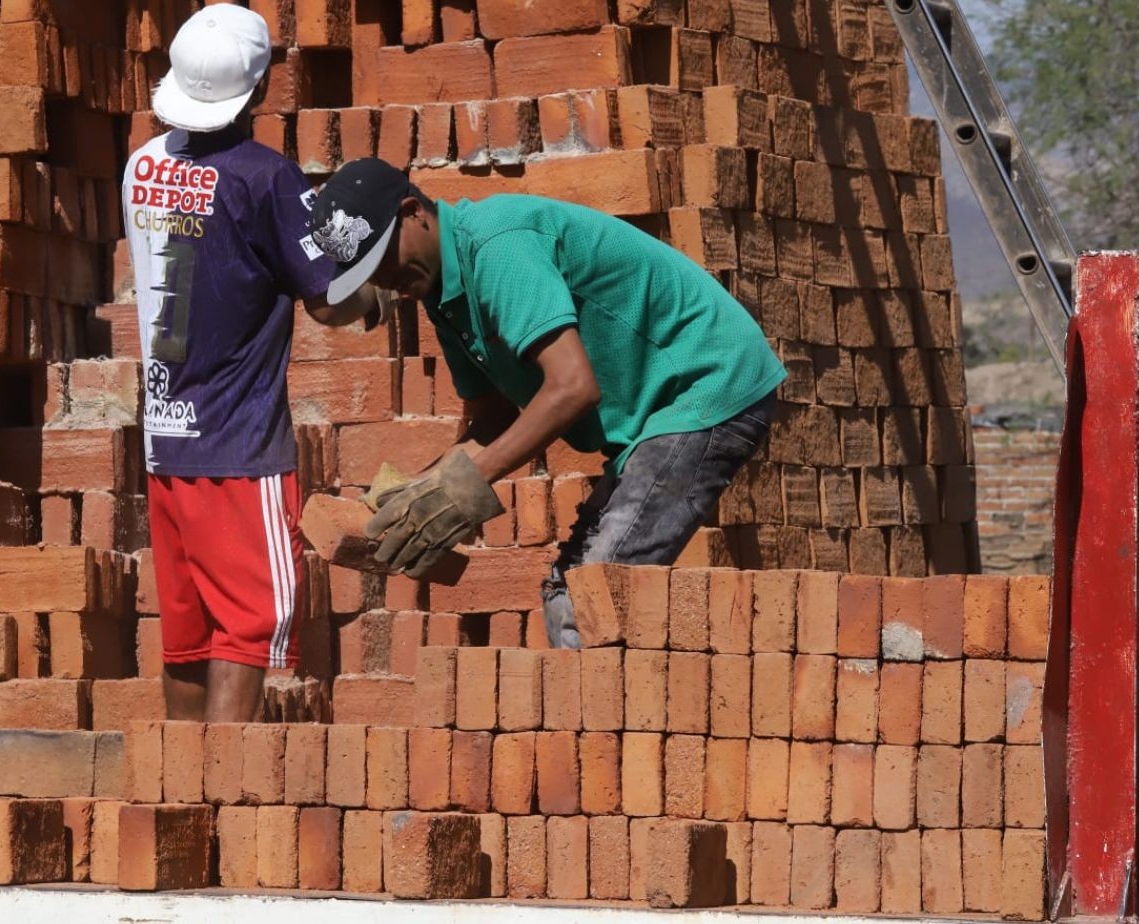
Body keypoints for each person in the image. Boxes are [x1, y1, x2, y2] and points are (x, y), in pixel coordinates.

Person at [308, 158, 787, 649]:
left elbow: (573, 387)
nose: (385, 280)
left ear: (415, 213)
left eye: (383, 258)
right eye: (368, 273)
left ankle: (608, 723)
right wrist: (416, 491)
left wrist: (464, 486)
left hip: (704, 380)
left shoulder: (497, 247)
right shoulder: (442, 292)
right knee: (567, 593)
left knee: (594, 602)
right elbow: (492, 421)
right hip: (660, 410)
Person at [124, 6, 382, 720]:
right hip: (239, 447)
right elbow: (328, 300)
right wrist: (379, 300)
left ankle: (173, 798)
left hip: (166, 437)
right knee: (250, 624)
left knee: (187, 631)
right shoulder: (265, 177)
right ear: (260, 89)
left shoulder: (141, 167)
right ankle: (223, 811)